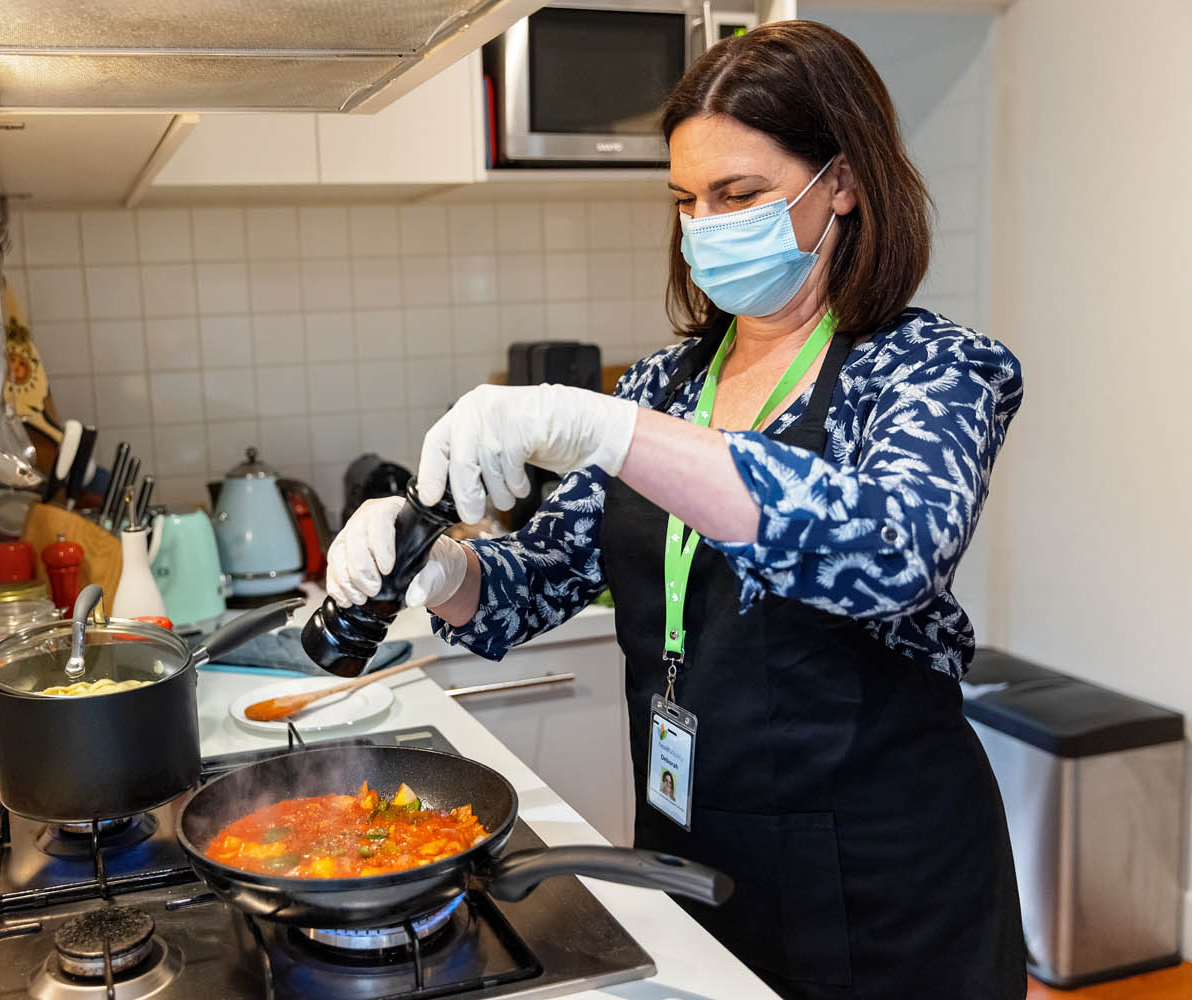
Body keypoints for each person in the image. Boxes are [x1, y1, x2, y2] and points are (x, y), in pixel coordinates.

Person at [325, 19, 1025, 1000]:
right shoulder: (665, 382)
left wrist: (606, 428)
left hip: (879, 875)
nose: (705, 225)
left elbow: (889, 551)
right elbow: (536, 581)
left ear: (841, 182)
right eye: (686, 199)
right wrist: (442, 568)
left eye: (737, 194)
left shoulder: (929, 367)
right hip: (688, 843)